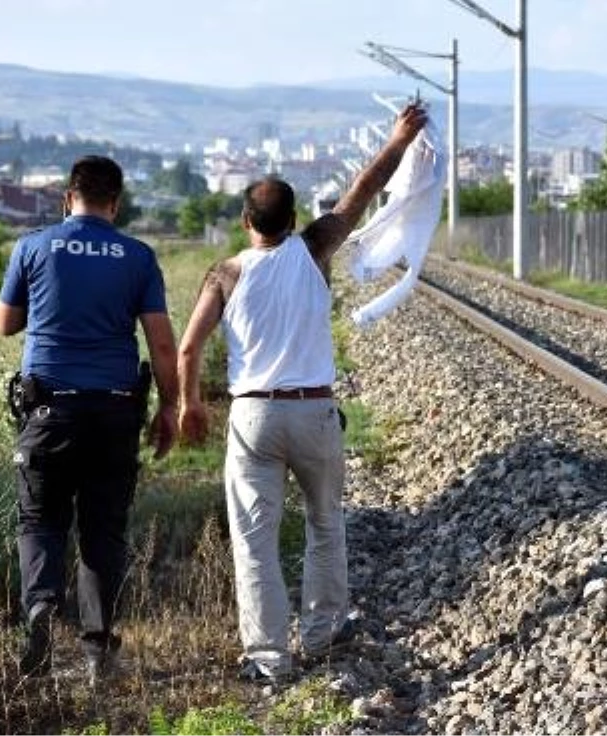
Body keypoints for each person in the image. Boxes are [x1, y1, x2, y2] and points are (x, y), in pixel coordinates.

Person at [177, 103, 428, 683]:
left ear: (246, 222)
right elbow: (362, 191)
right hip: (315, 411)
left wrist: (190, 404)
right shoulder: (314, 248)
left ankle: (268, 657)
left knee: (255, 540)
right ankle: (322, 632)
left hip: (254, 417)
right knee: (325, 522)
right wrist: (399, 138)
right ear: (292, 219)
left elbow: (189, 348)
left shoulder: (225, 274)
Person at [0, 154, 179, 681]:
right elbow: (161, 343)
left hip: (49, 409)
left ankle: (40, 609)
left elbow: (5, 324)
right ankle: (98, 650)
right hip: (115, 412)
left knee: (40, 519)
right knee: (103, 529)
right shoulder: (138, 256)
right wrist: (170, 406)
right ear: (116, 204)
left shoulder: (32, 246)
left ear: (66, 198)